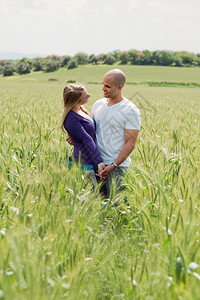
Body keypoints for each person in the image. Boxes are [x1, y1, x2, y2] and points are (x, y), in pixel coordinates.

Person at [91, 69, 141, 198]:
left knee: (116, 209)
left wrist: (113, 165)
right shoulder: (98, 105)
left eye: (107, 86)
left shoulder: (130, 110)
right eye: (102, 84)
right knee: (96, 208)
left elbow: (130, 143)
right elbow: (90, 131)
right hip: (97, 166)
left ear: (119, 87)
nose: (103, 88)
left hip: (118, 168)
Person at [61, 83, 105, 185]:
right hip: (83, 164)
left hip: (91, 159)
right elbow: (86, 139)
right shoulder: (71, 118)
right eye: (85, 96)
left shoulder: (81, 110)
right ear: (77, 100)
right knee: (92, 197)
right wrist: (99, 162)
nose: (89, 95)